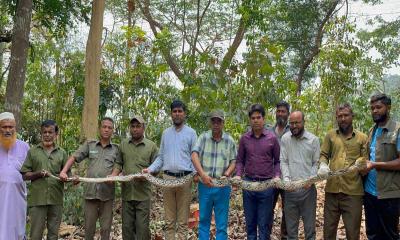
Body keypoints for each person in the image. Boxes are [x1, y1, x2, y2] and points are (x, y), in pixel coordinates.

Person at [143, 100, 197, 240]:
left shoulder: (191, 133)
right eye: (174, 111)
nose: (177, 114)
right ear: (171, 114)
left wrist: (195, 174)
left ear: (184, 114)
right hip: (167, 180)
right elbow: (161, 157)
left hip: (185, 179)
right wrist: (149, 169)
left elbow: (195, 157)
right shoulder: (166, 134)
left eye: (180, 111)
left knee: (183, 222)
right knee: (169, 221)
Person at [60, 117, 120, 240]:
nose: (106, 130)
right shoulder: (90, 145)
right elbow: (74, 157)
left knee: (105, 229)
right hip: (90, 193)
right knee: (89, 228)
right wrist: (64, 171)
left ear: (112, 130)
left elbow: (120, 166)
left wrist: (114, 175)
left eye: (109, 127)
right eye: (104, 127)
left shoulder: (116, 149)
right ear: (99, 128)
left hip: (107, 195)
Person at [318, 103, 367, 240]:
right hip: (332, 191)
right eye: (340, 116)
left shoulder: (362, 138)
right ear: (336, 118)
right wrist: (323, 165)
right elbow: (323, 154)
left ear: (352, 116)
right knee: (328, 231)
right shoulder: (330, 135)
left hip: (353, 193)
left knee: (352, 233)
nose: (343, 119)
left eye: (346, 115)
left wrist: (362, 163)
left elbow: (366, 160)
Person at [235, 104, 280, 240]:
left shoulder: (272, 138)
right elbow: (240, 160)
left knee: (264, 224)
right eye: (253, 118)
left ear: (263, 118)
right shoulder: (244, 139)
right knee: (250, 224)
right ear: (250, 120)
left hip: (266, 186)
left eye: (258, 117)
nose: (256, 120)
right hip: (248, 185)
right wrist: (238, 175)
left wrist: (277, 176)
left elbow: (278, 161)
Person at [191, 110, 237, 240]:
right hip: (205, 185)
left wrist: (227, 173)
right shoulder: (203, 137)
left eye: (219, 121)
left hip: (222, 187)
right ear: (210, 123)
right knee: (204, 221)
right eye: (213, 121)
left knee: (221, 224)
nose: (216, 124)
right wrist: (202, 174)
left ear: (223, 123)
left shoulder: (229, 140)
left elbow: (234, 161)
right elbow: (194, 155)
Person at [111, 116, 159, 240]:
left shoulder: (151, 146)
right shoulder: (123, 145)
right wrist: (113, 176)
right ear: (130, 128)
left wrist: (147, 175)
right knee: (127, 228)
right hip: (127, 194)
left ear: (143, 128)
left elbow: (157, 167)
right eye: (133, 126)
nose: (135, 129)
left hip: (143, 194)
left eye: (138, 126)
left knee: (142, 229)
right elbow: (118, 163)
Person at [21, 120, 69, 240]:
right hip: (37, 200)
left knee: (53, 235)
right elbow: (24, 175)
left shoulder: (62, 153)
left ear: (56, 134)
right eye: (44, 132)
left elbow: (67, 174)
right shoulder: (33, 152)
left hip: (56, 200)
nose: (47, 135)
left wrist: (70, 179)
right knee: (36, 235)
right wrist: (38, 174)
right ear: (41, 133)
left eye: (50, 132)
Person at [362, 93, 400, 240]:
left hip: (389, 194)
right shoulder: (372, 130)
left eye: (378, 107)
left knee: (390, 235)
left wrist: (374, 165)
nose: (375, 111)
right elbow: (370, 157)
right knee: (372, 234)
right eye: (372, 108)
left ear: (388, 107)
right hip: (370, 193)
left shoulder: (397, 130)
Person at [280, 111, 319, 240]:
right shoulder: (285, 139)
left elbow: (316, 163)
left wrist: (311, 179)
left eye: (297, 122)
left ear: (303, 122)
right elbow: (283, 161)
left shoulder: (313, 140)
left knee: (310, 230)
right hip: (290, 191)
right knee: (291, 232)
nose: (294, 125)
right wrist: (286, 180)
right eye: (291, 123)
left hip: (308, 191)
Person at [0, 112, 30, 240]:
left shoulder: (24, 147)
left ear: (15, 128)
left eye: (10, 127)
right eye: (4, 127)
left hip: (18, 198)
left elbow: (32, 171)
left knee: (17, 230)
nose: (8, 130)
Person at [268, 101, 290, 240]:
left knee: (287, 210)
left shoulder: (293, 129)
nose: (280, 114)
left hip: (288, 176)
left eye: (283, 111)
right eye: (278, 111)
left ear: (288, 114)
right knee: (268, 209)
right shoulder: (269, 131)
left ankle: (285, 236)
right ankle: (266, 234)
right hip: (270, 177)